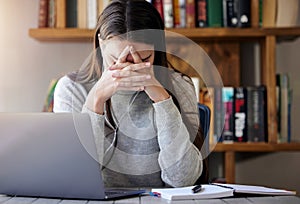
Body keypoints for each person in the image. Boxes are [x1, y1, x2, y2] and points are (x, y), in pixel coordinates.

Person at [54, 0, 206, 188]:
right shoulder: (71, 89)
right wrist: (96, 100)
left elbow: (183, 180)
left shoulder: (179, 86)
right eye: (115, 59)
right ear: (101, 44)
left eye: (143, 59)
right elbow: (74, 178)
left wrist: (162, 99)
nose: (130, 67)